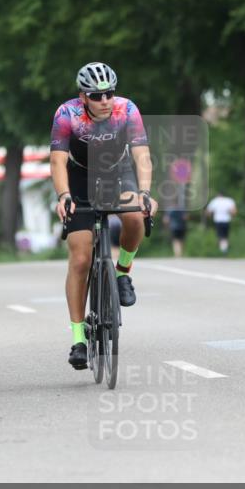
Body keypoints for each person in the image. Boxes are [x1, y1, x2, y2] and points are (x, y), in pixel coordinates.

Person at [51, 61, 156, 370]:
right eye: (96, 96)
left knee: (135, 216)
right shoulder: (66, 114)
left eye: (109, 93)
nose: (105, 101)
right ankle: (78, 337)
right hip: (80, 178)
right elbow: (57, 162)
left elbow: (142, 155)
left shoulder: (127, 110)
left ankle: (122, 272)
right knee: (81, 258)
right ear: (83, 97)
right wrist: (63, 195)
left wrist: (146, 192)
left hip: (116, 172)